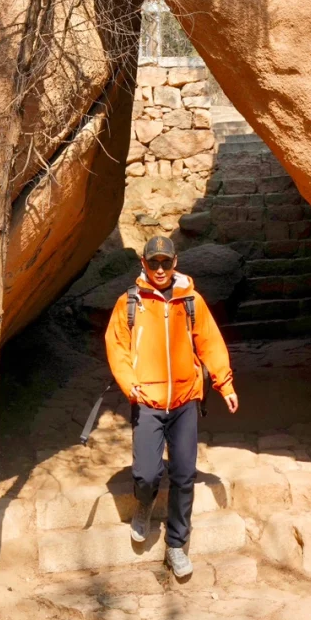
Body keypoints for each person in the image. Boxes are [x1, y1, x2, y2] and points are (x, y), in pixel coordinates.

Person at [105, 234, 239, 580]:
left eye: (166, 262)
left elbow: (209, 342)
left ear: (175, 262)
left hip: (183, 401)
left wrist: (223, 383)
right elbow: (116, 346)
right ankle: (144, 502)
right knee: (146, 474)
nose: (160, 269)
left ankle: (176, 545)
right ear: (144, 264)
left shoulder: (190, 301)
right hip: (147, 401)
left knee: (183, 475)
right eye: (154, 263)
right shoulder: (130, 302)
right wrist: (128, 383)